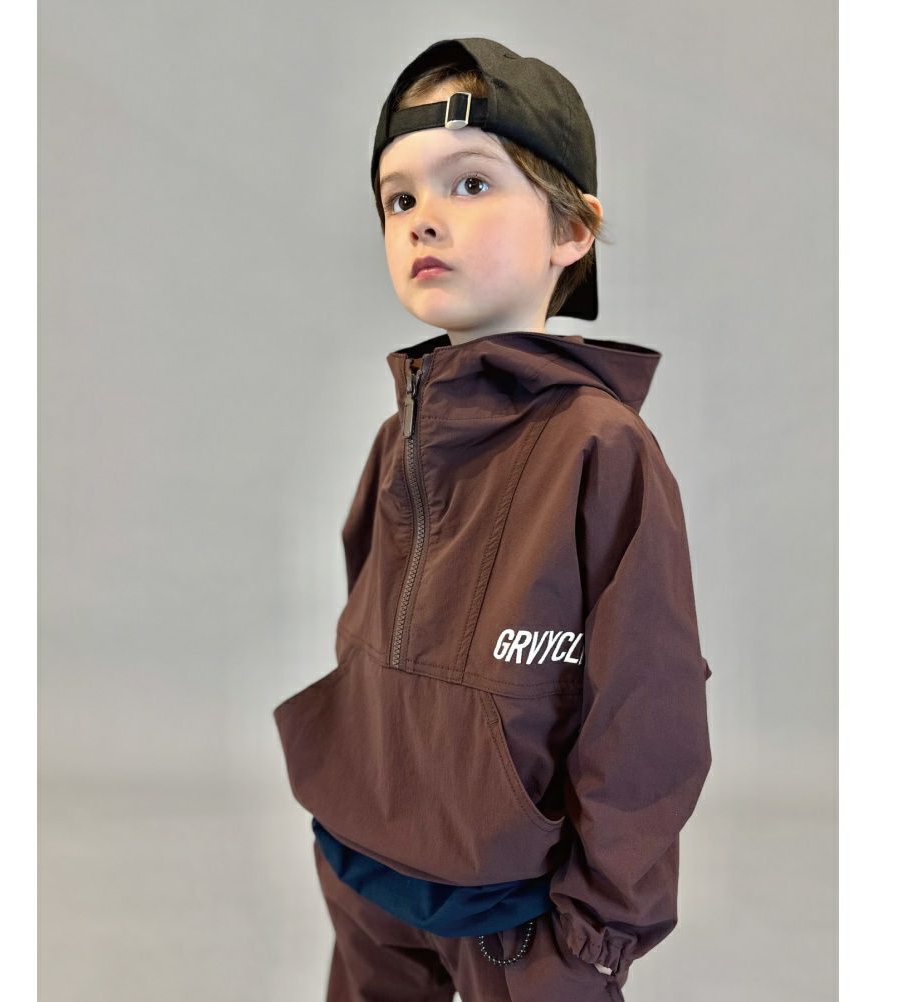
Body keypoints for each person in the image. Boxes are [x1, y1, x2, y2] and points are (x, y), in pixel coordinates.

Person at [273, 37, 713, 1002]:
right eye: (399, 199)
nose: (425, 218)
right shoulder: (401, 435)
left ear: (573, 231)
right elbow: (366, 629)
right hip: (370, 869)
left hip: (519, 910)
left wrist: (597, 931)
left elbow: (649, 707)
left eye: (471, 184)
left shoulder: (599, 447)